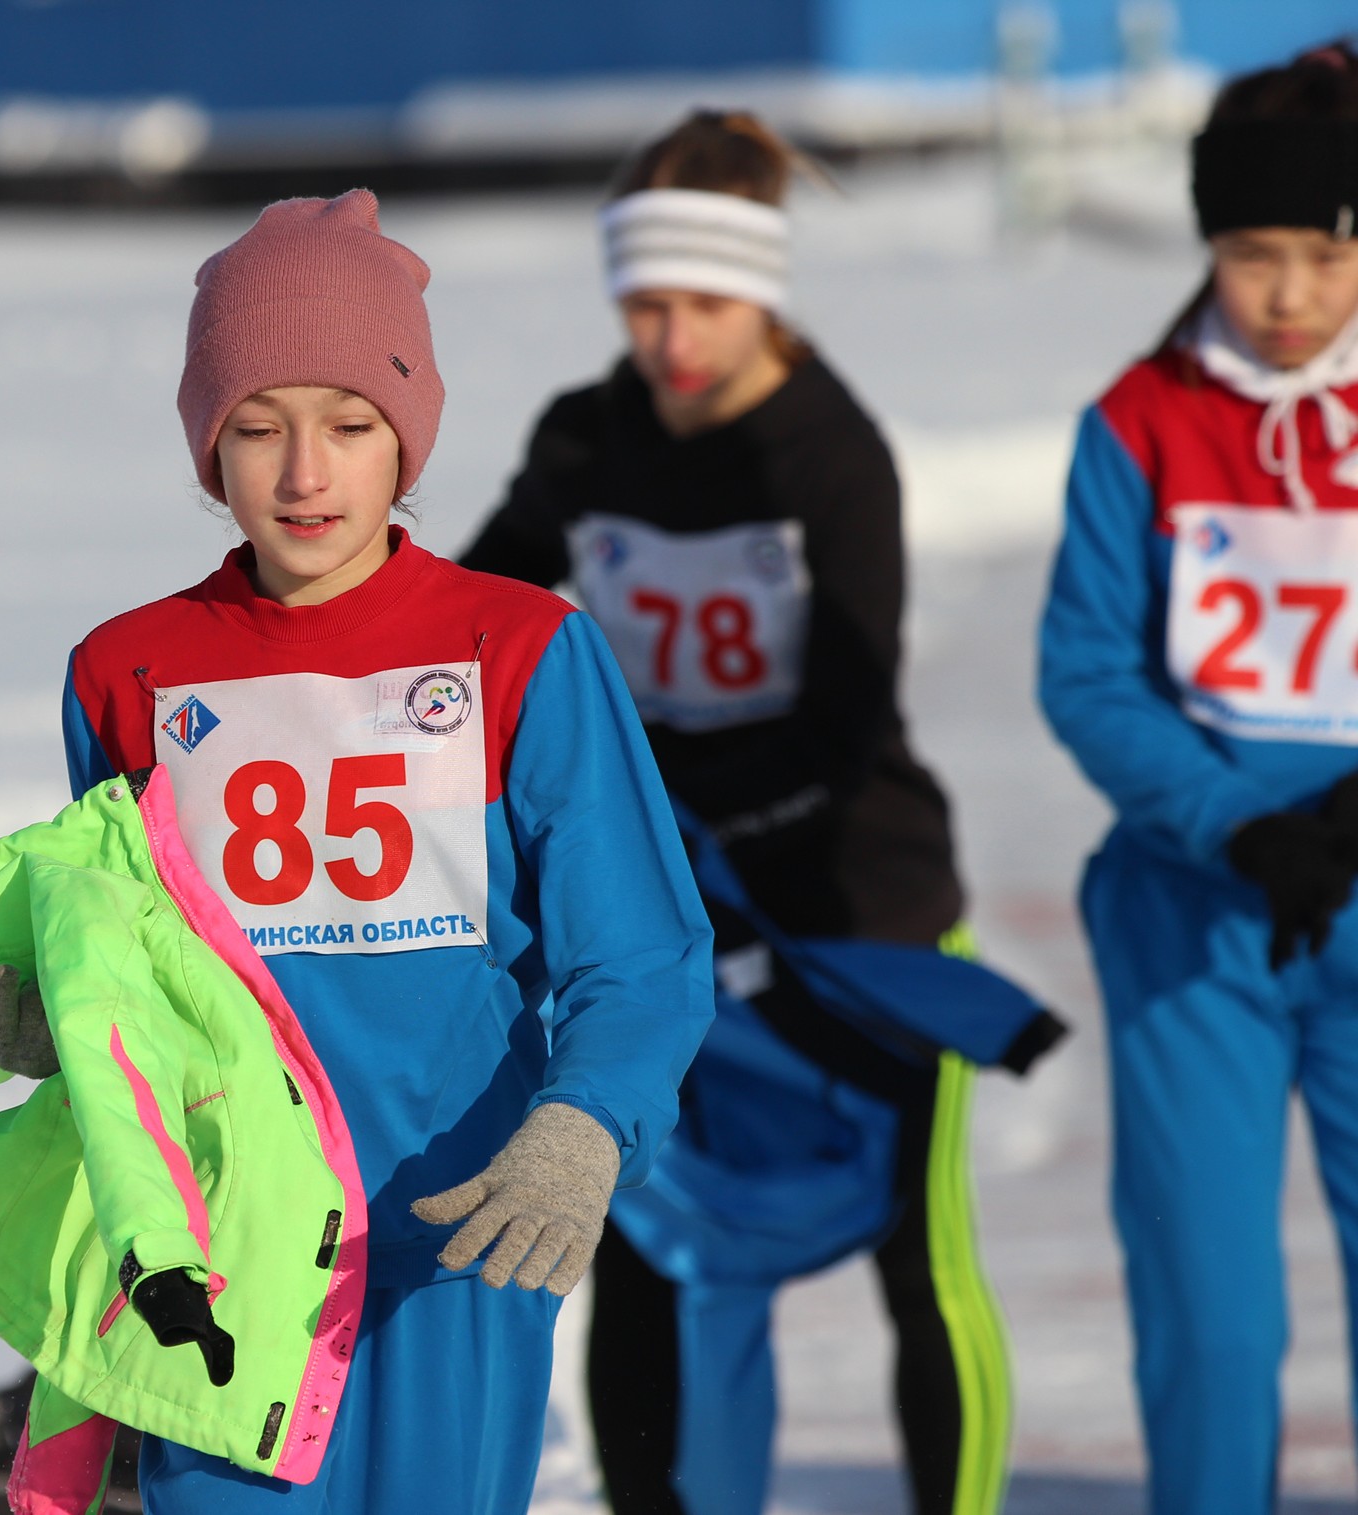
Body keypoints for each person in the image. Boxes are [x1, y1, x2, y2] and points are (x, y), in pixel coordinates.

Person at [59, 189, 714, 1512]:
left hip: (455, 1227)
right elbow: (107, 953)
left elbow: (641, 952)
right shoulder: (123, 671)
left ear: (406, 439)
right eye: (257, 430)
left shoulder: (522, 649)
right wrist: (31, 999)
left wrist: (585, 1123)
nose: (306, 476)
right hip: (223, 1254)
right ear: (207, 448)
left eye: (352, 427)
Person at [462, 111, 1024, 1515]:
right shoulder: (586, 443)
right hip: (665, 923)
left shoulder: (829, 455)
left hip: (859, 912)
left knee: (920, 1259)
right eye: (645, 304)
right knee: (649, 1247)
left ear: (763, 290)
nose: (673, 338)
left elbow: (849, 714)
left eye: (705, 303)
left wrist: (666, 832)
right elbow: (478, 630)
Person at [1038, 41, 1358, 1515]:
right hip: (1197, 922)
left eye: (1321, 252)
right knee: (1213, 1319)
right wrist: (1236, 823)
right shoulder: (1139, 422)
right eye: (1249, 253)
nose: (1285, 293)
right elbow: (1089, 674)